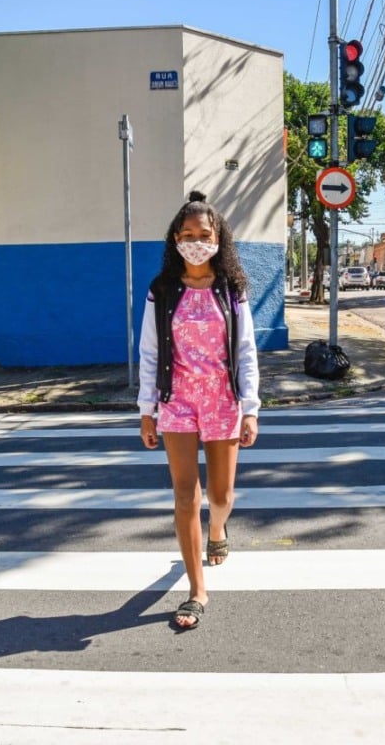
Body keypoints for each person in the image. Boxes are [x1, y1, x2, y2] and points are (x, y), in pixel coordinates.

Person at [137, 190, 260, 631]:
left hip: (223, 401)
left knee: (222, 496)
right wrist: (146, 409)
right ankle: (196, 589)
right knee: (186, 494)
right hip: (178, 402)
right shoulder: (162, 291)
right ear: (174, 239)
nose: (195, 241)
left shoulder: (232, 289)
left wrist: (251, 408)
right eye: (187, 234)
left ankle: (218, 530)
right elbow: (149, 352)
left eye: (203, 234)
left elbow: (246, 351)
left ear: (217, 237)